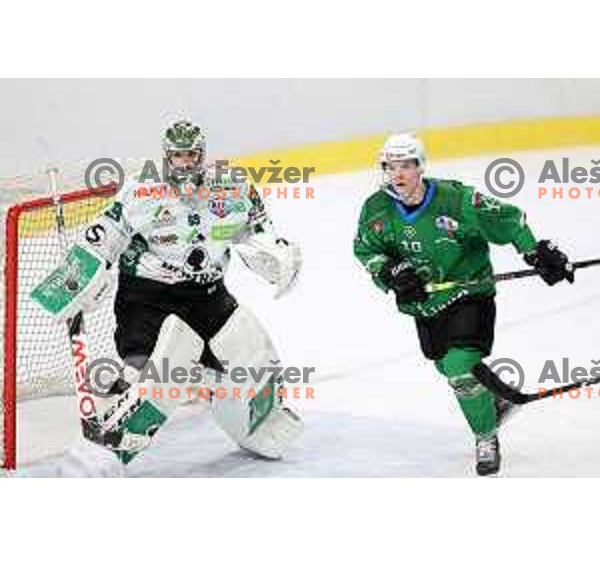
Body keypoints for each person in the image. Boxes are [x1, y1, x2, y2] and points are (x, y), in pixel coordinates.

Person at [32, 119, 303, 476]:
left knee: (249, 348)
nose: (184, 163)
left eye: (191, 155)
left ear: (202, 155)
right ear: (165, 157)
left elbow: (257, 233)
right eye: (177, 156)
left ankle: (258, 425)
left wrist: (275, 255)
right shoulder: (141, 191)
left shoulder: (232, 188)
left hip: (208, 296)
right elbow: (100, 239)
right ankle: (100, 454)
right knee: (161, 374)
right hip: (149, 300)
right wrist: (72, 284)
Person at [353, 133, 574, 476]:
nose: (398, 174)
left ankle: (486, 437)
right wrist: (392, 272)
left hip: (470, 292)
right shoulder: (376, 208)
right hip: (426, 304)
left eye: (406, 166)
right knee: (446, 367)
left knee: (459, 366)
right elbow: (366, 249)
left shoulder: (456, 200)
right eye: (390, 166)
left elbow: (508, 219)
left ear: (420, 166)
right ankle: (495, 401)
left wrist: (535, 251)